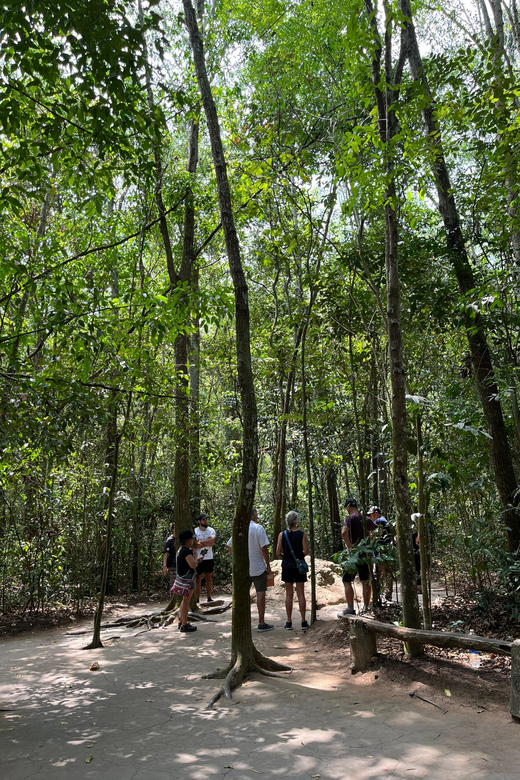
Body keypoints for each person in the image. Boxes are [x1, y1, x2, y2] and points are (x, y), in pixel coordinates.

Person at [338, 498, 376, 617]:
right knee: (365, 581)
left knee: (347, 580)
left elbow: (344, 532)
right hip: (365, 554)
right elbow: (378, 531)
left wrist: (349, 546)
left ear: (348, 507)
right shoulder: (365, 519)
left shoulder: (349, 518)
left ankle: (350, 608)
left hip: (353, 555)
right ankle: (365, 607)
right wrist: (370, 540)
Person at [275, 510, 309, 631]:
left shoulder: (282, 535)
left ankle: (288, 622)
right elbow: (306, 551)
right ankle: (303, 621)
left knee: (289, 594)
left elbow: (277, 552)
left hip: (287, 566)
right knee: (301, 593)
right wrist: (299, 555)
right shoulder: (302, 534)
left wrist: (285, 556)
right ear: (295, 521)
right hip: (299, 567)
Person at [249, 508, 275, 632]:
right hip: (258, 567)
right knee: (260, 593)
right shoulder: (258, 528)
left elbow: (229, 546)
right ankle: (261, 622)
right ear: (254, 516)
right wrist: (268, 566)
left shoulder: (240, 528)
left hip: (244, 568)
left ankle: (244, 623)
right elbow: (264, 548)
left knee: (243, 595)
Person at [172, 529, 198, 632]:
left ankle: (182, 621)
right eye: (192, 538)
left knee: (184, 601)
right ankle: (184, 625)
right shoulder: (186, 551)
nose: (193, 540)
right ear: (188, 540)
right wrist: (195, 556)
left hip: (182, 578)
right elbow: (193, 564)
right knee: (186, 602)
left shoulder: (180, 549)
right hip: (187, 580)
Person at [367, 506, 394, 601]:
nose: (370, 517)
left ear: (376, 513)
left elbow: (374, 535)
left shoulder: (379, 521)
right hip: (385, 550)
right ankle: (387, 594)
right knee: (386, 572)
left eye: (371, 515)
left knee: (378, 572)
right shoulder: (383, 520)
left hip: (381, 551)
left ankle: (377, 593)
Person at [194, 513, 216, 603]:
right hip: (198, 558)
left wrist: (201, 542)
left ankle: (209, 597)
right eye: (203, 520)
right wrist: (206, 542)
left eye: (206, 519)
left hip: (209, 557)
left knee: (209, 577)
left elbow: (212, 542)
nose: (205, 521)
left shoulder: (211, 530)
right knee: (198, 578)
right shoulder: (195, 531)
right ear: (199, 521)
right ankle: (197, 598)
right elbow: (196, 545)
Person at [162, 524, 176, 589]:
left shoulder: (182, 539)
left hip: (181, 564)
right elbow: (165, 554)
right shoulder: (170, 540)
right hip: (172, 564)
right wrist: (164, 566)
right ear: (172, 529)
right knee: (173, 582)